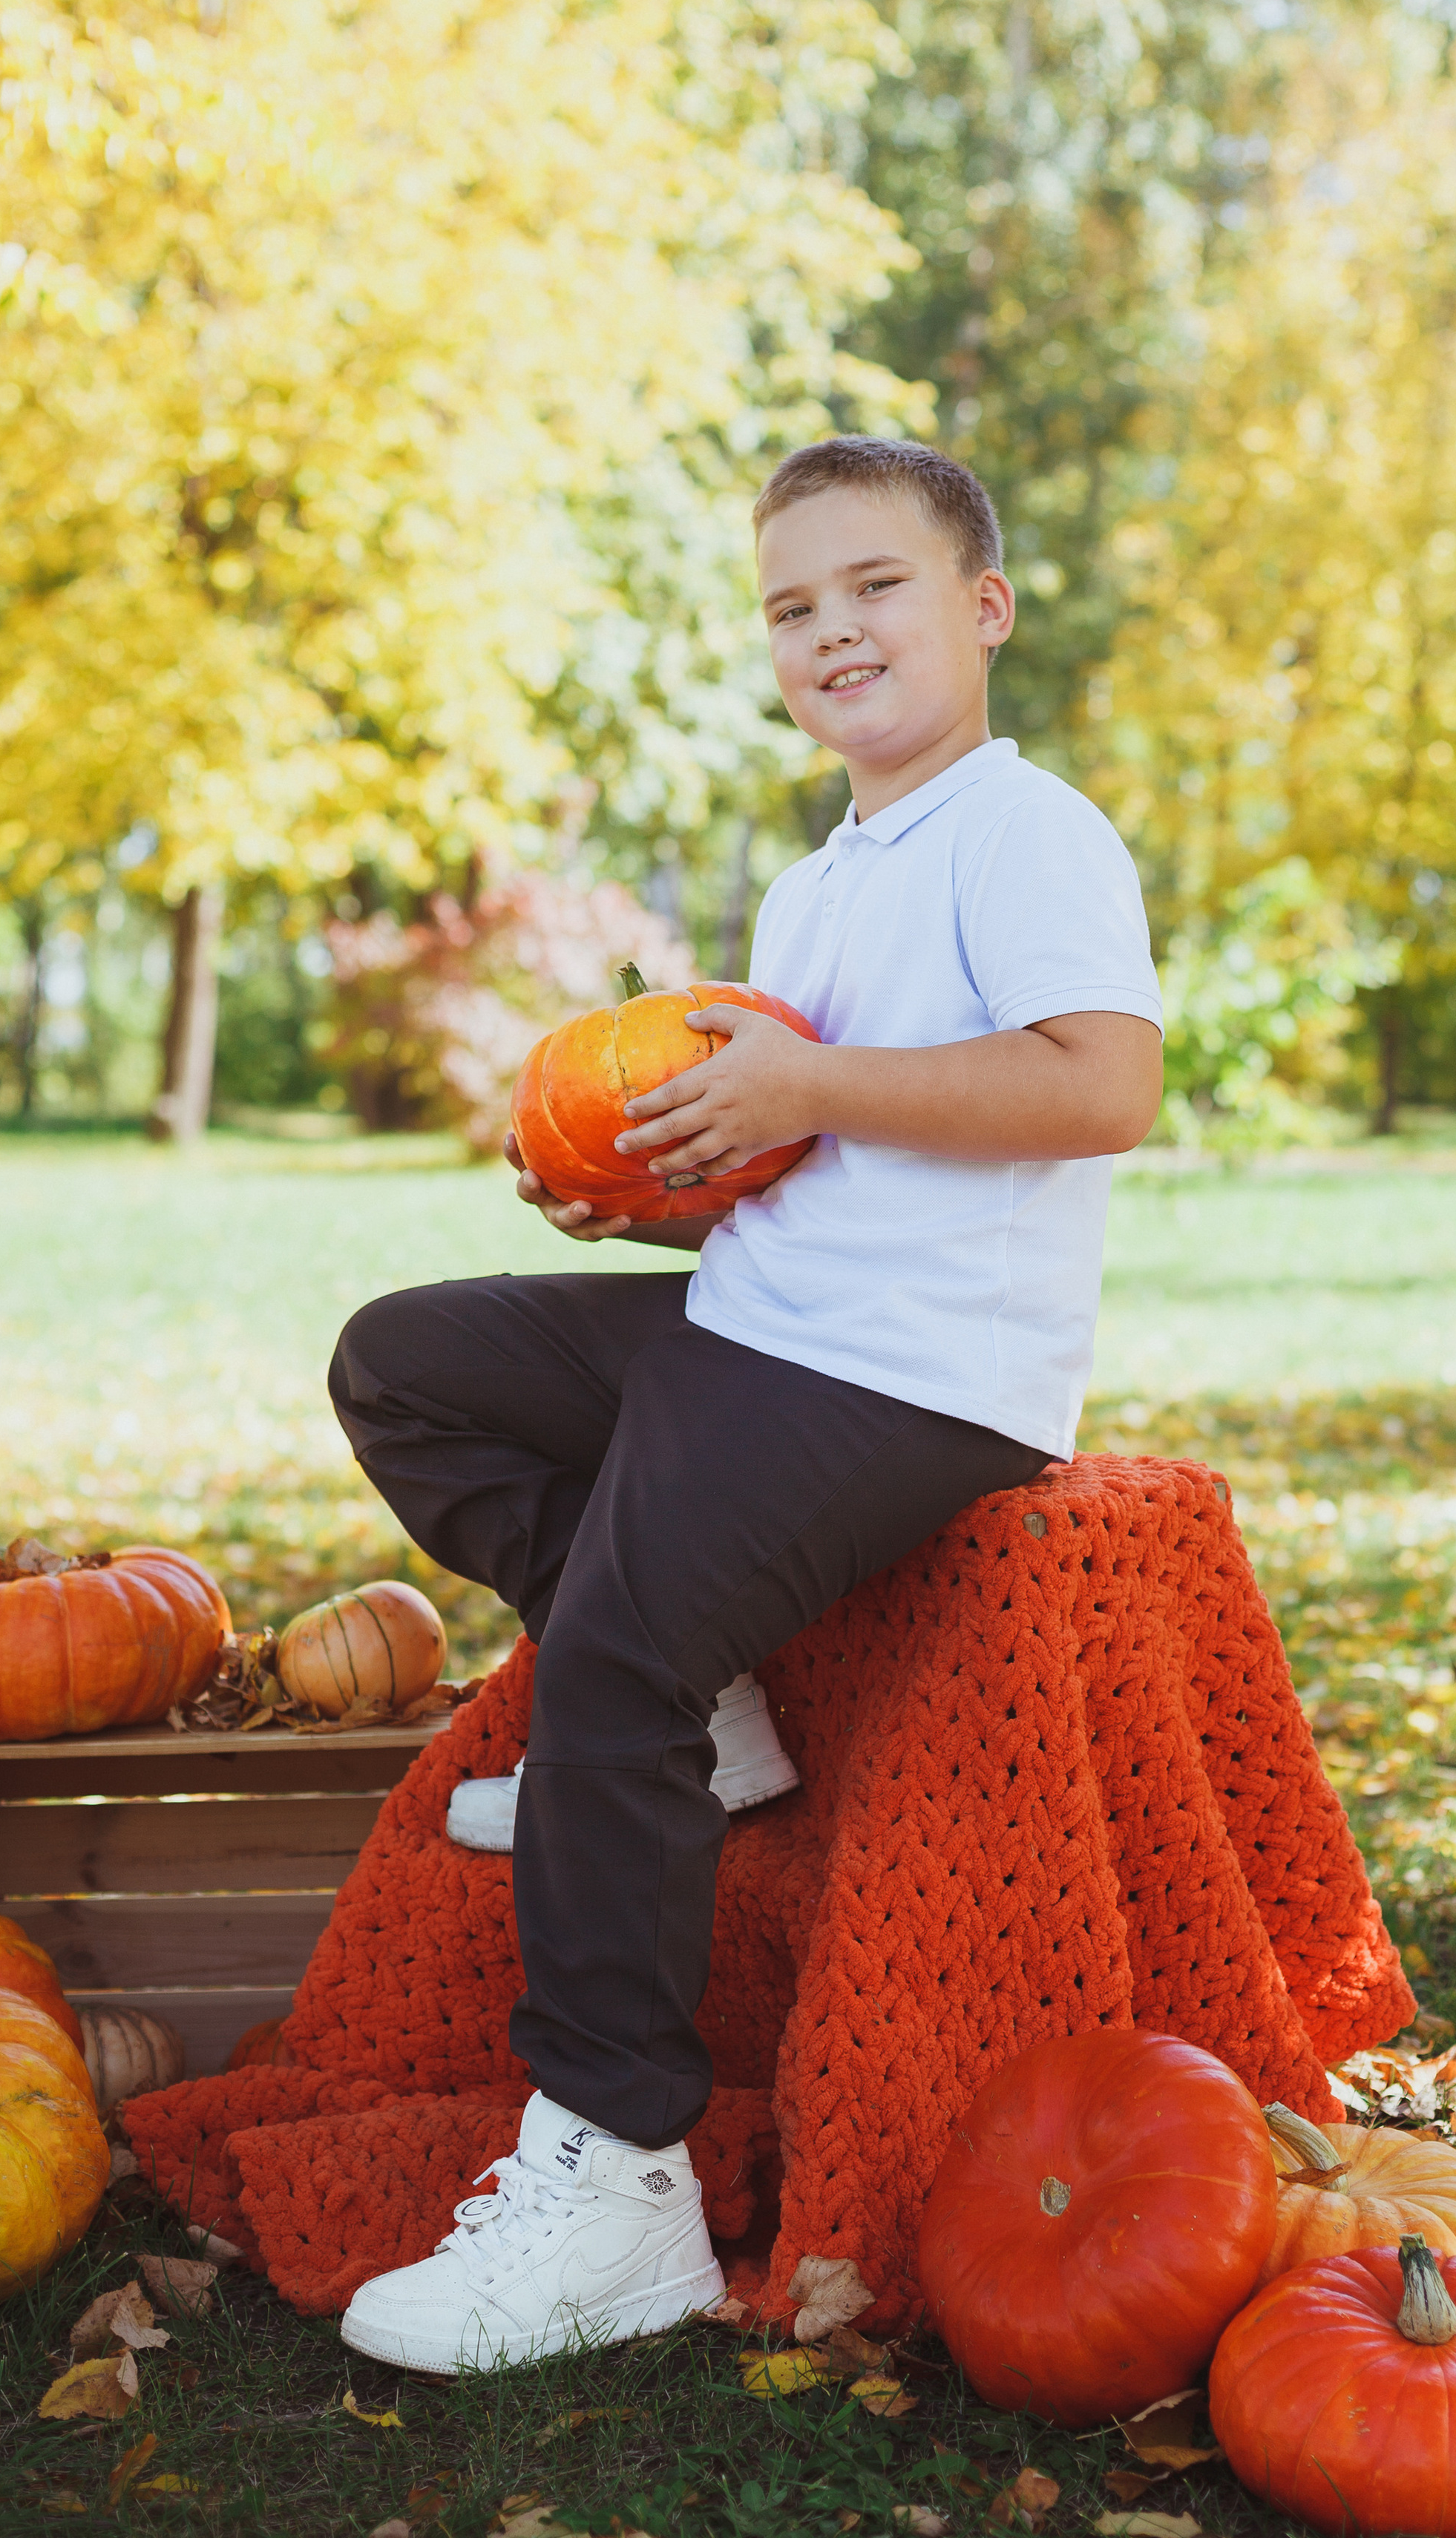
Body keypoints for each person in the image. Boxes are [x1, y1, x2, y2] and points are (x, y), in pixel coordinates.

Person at [328, 436, 1165, 2373]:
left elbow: (1100, 1086)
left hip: (915, 1371)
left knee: (610, 1648)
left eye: (874, 586)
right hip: (761, 1315)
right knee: (410, 1362)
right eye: (794, 606)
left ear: (985, 607)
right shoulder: (820, 879)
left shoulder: (1027, 834)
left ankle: (617, 2186)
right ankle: (708, 1717)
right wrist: (645, 1173)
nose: (830, 630)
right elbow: (795, 1148)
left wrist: (810, 1098)